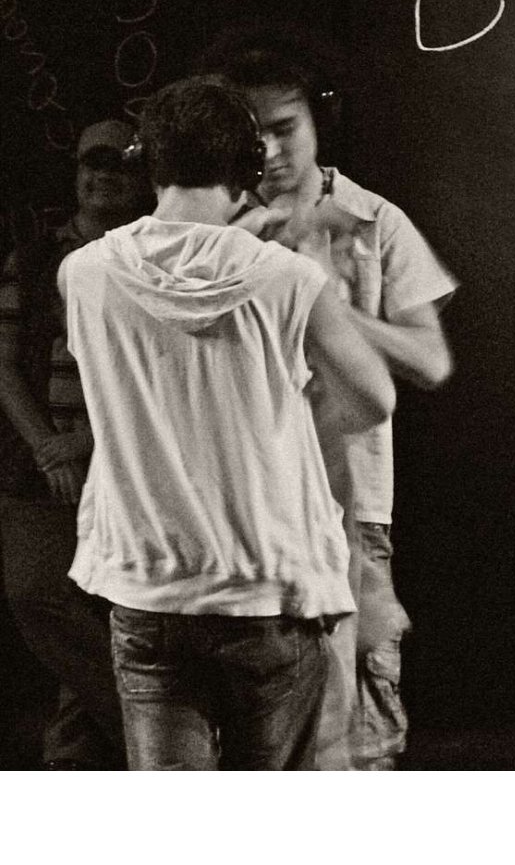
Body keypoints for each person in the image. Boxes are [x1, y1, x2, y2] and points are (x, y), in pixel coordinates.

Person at [59, 76, 394, 770]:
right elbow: (373, 398)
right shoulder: (286, 278)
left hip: (149, 589)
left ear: (147, 161)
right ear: (245, 169)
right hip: (269, 589)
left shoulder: (83, 274)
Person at [202, 27, 456, 770]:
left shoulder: (376, 221)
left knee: (351, 735)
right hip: (240, 508)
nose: (273, 153)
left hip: (349, 507)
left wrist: (321, 298)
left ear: (319, 122)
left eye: (287, 130)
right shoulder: (218, 227)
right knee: (250, 731)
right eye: (254, 136)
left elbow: (430, 361)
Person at [0, 119, 148, 769]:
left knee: (105, 613)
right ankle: (154, 731)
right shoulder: (33, 260)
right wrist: (45, 448)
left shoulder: (151, 259)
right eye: (94, 162)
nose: (103, 174)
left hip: (127, 472)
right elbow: (2, 363)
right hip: (39, 474)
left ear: (141, 177)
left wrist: (84, 443)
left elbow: (162, 376)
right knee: (37, 593)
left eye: (119, 164)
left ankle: (72, 770)